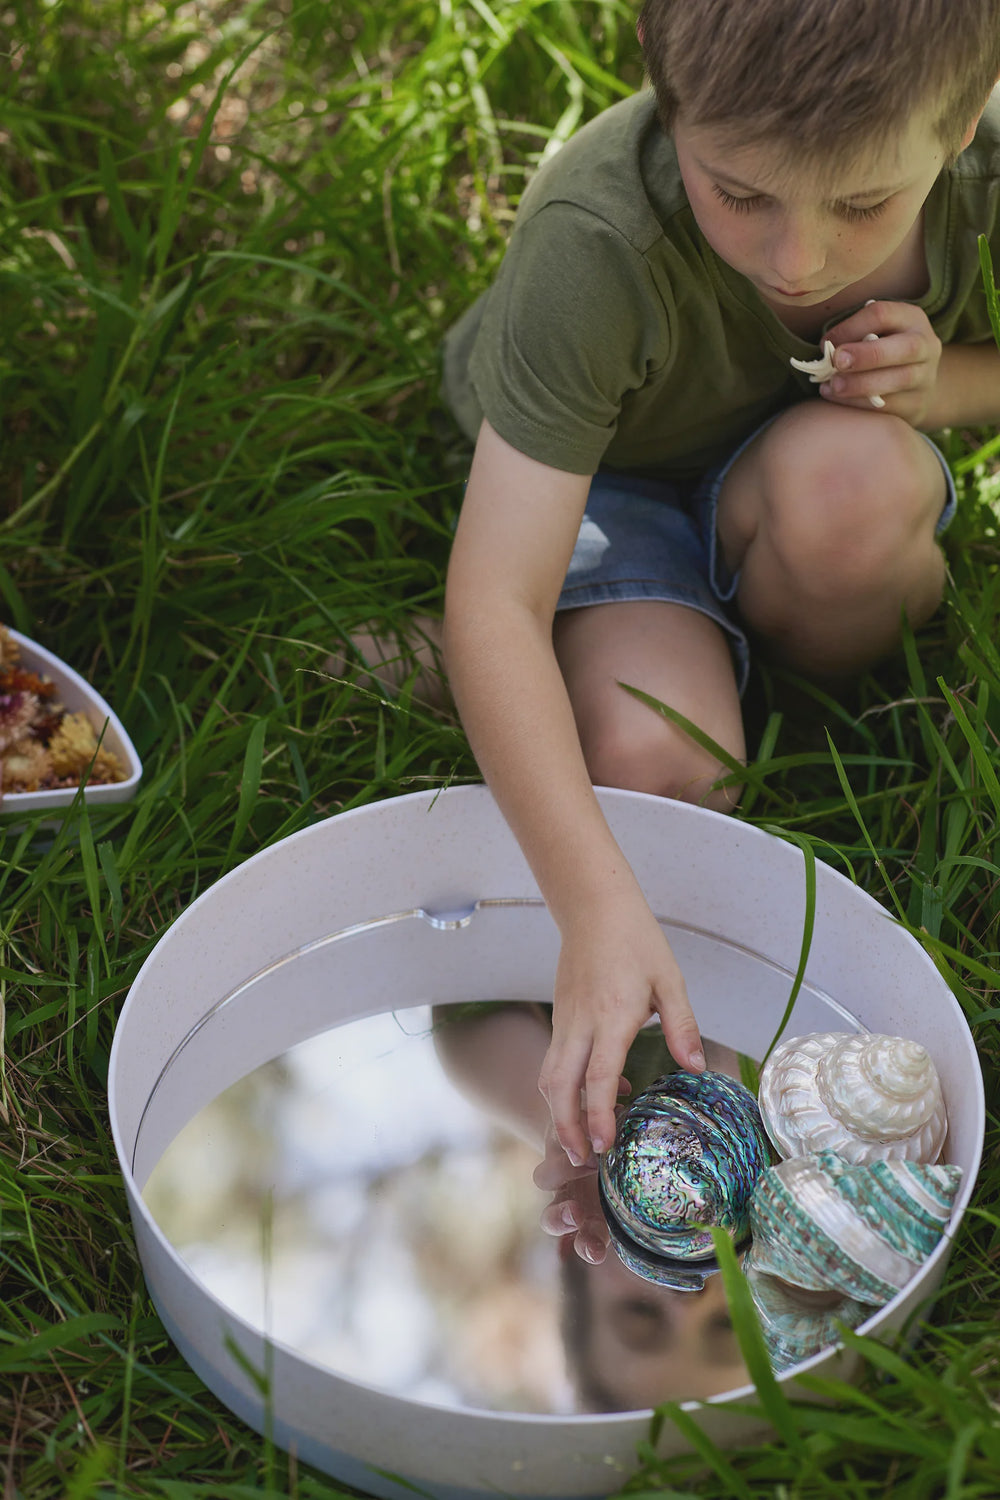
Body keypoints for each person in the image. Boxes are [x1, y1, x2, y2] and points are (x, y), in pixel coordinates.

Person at [438, 0, 1000, 1190]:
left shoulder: (979, 168)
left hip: (818, 461)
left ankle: (768, 654)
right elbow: (493, 595)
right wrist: (591, 908)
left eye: (861, 205)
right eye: (738, 192)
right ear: (672, 102)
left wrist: (941, 381)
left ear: (959, 123)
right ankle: (614, 650)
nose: (797, 259)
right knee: (661, 761)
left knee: (853, 497)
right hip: (606, 478)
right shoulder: (599, 240)